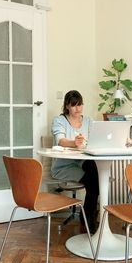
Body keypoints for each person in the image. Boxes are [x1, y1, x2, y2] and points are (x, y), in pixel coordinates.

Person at [51, 90, 99, 233]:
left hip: (83, 162)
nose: (78, 109)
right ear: (67, 106)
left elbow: (97, 138)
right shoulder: (59, 120)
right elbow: (61, 140)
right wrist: (74, 142)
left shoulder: (89, 121)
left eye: (80, 105)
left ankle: (88, 214)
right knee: (94, 180)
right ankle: (89, 214)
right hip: (64, 166)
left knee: (93, 170)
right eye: (74, 105)